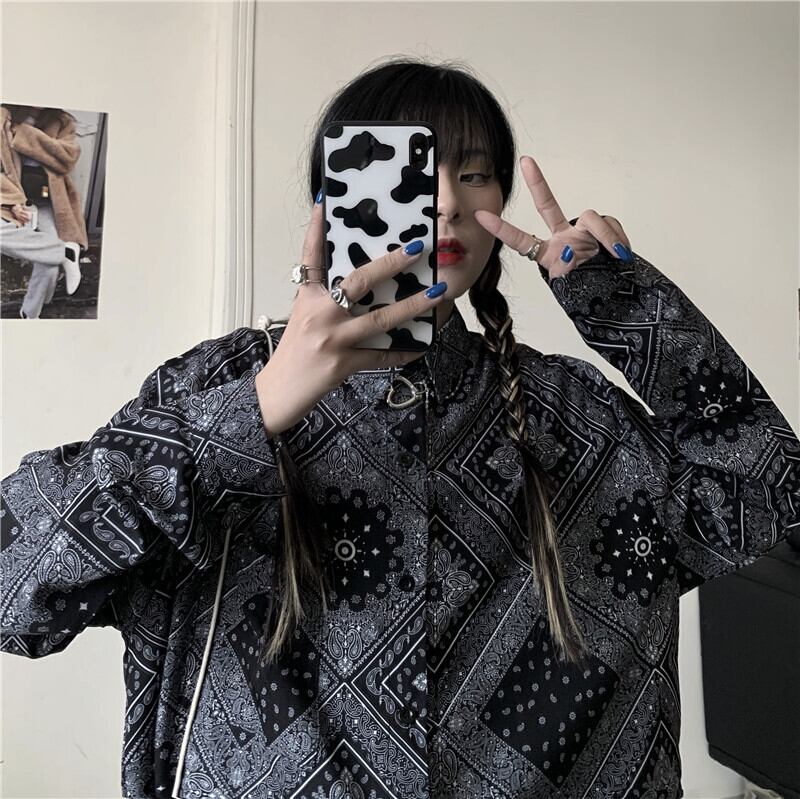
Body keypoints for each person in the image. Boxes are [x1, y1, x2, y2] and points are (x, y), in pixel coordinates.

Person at [2, 56, 798, 799]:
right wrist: (252, 410)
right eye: (411, 169)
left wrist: (622, 304)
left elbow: (766, 491)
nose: (446, 200)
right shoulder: (214, 385)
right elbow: (15, 588)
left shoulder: (574, 416)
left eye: (474, 173)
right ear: (332, 197)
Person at [0, 104, 85, 318]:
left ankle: (30, 314)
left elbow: (67, 158)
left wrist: (24, 135)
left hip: (47, 201)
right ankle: (64, 252)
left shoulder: (62, 121)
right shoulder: (4, 117)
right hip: (10, 198)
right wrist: (12, 202)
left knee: (48, 265)